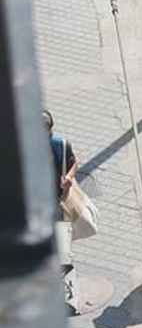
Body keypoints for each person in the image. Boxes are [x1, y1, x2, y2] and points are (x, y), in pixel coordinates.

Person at [44, 109, 79, 316]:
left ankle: (70, 301)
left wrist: (68, 177)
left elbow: (74, 163)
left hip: (58, 206)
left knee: (64, 255)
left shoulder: (60, 144)